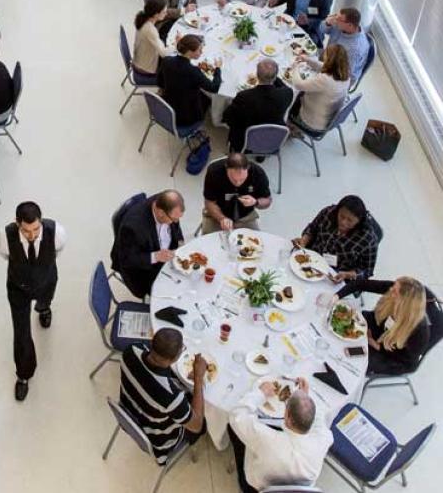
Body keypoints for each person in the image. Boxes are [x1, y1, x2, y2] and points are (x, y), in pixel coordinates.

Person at [0, 202, 67, 401]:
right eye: (26, 231)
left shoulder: (57, 232)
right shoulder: (4, 237)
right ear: (17, 224)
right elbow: (5, 255)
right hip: (18, 288)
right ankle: (24, 375)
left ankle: (44, 309)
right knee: (21, 333)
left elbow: (57, 252)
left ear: (41, 222)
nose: (32, 235)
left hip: (46, 280)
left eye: (36, 229)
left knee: (45, 300)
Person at [228, 377, 333, 492]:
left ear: (287, 415)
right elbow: (318, 420)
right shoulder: (324, 438)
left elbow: (237, 416)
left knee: (232, 429)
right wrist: (305, 397)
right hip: (302, 489)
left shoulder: (267, 439)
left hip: (258, 488)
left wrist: (260, 393)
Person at [120, 328, 207, 464]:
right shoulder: (171, 397)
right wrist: (198, 378)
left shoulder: (130, 350)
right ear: (175, 358)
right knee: (204, 421)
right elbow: (197, 425)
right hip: (159, 440)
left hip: (129, 410)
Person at [336, 278, 429, 375]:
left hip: (394, 357)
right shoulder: (396, 288)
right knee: (347, 322)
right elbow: (361, 283)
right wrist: (337, 296)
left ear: (404, 302)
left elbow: (405, 357)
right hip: (381, 330)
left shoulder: (420, 331)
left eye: (395, 292)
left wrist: (375, 345)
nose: (390, 290)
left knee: (354, 357)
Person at [110, 190, 185, 299]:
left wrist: (180, 242)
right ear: (160, 212)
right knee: (173, 296)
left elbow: (176, 229)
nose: (176, 222)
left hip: (167, 257)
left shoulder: (167, 204)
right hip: (144, 270)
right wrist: (156, 256)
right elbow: (127, 259)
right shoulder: (132, 227)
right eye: (173, 219)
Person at [292, 195, 379, 283]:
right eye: (341, 216)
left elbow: (367, 270)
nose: (343, 222)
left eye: (350, 220)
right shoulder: (328, 212)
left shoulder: (368, 239)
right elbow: (312, 228)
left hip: (336, 274)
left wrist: (347, 275)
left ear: (359, 221)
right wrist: (303, 240)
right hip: (311, 258)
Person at [222, 58, 293, 153]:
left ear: (257, 75)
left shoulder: (244, 96)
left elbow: (228, 118)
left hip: (244, 140)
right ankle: (261, 155)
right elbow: (285, 87)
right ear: (276, 76)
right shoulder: (287, 94)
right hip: (273, 137)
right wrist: (272, 76)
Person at [158, 35, 222, 128]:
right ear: (189, 52)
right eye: (199, 50)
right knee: (208, 98)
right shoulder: (193, 71)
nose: (201, 52)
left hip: (167, 105)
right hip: (186, 117)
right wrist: (218, 69)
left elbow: (160, 82)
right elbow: (214, 88)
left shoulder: (167, 60)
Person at [202, 153, 272, 235]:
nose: (238, 183)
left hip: (246, 216)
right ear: (226, 168)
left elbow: (268, 200)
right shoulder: (214, 172)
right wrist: (221, 218)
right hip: (218, 214)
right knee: (210, 243)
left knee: (255, 242)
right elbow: (209, 202)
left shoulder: (258, 173)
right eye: (233, 179)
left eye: (242, 179)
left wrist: (256, 202)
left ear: (248, 168)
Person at [289, 44, 351, 132]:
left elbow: (298, 85)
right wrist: (307, 60)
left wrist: (295, 68)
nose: (324, 56)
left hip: (312, 122)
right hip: (328, 116)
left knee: (290, 99)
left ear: (330, 61)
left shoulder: (325, 80)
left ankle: (294, 129)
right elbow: (324, 66)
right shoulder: (345, 73)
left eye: (326, 56)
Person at [268, 0, 332, 47]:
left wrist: (308, 21)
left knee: (304, 50)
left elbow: (323, 18)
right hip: (288, 20)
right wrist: (276, 1)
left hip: (309, 30)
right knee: (272, 36)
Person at [133, 0, 173, 77]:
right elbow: (164, 54)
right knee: (176, 68)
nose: (166, 14)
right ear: (156, 14)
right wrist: (176, 45)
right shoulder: (150, 30)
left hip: (140, 60)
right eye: (164, 12)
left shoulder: (143, 19)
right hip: (146, 68)